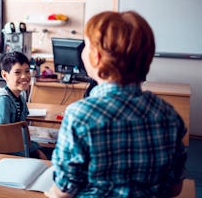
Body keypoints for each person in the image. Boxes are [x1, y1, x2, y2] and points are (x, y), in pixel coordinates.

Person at [46, 11, 187, 198]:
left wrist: (51, 193)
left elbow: (64, 191)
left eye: (86, 45)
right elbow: (174, 188)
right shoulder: (168, 114)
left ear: (96, 56)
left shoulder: (80, 115)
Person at [0, 51, 47, 159]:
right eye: (17, 72)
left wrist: (35, 150)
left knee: (41, 152)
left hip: (11, 146)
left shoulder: (20, 99)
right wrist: (30, 153)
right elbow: (1, 140)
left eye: (27, 71)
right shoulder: (2, 101)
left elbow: (19, 133)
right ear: (5, 75)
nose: (24, 76)